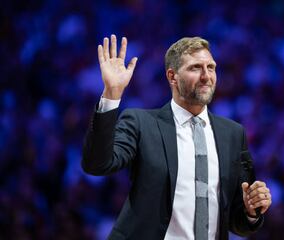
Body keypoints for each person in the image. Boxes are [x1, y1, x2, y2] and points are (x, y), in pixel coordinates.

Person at [82, 34, 272, 240]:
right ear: (172, 77)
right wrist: (111, 94)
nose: (206, 76)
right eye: (195, 68)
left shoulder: (233, 134)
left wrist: (251, 211)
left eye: (211, 67)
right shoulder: (141, 123)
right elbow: (96, 164)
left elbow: (235, 221)